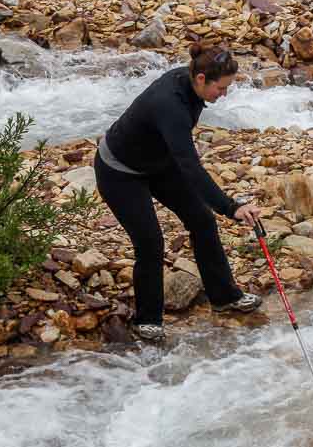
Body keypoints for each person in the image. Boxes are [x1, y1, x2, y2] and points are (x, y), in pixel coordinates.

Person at [94, 45, 263, 341]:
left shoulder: (192, 89)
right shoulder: (169, 104)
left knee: (202, 221)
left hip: (158, 163)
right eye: (221, 88)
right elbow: (190, 167)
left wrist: (221, 207)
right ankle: (148, 320)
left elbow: (182, 160)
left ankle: (224, 296)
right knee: (150, 242)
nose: (224, 94)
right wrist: (231, 207)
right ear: (200, 78)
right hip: (119, 171)